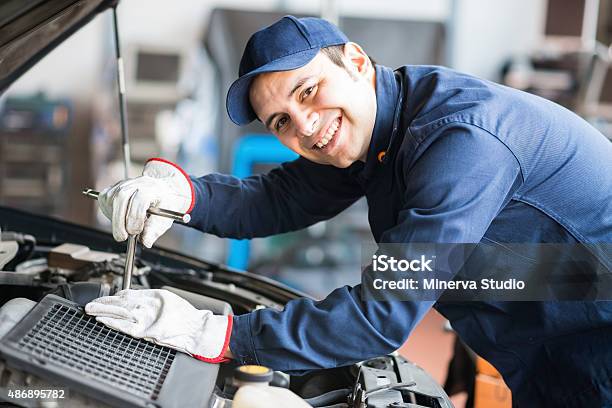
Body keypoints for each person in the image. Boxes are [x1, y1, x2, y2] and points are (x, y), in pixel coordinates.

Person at [85, 16, 612, 406]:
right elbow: (280, 197)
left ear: (356, 62)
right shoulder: (377, 128)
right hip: (544, 341)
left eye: (308, 92)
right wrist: (185, 195)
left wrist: (222, 335)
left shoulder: (458, 142)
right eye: (280, 122)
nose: (306, 127)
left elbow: (382, 312)